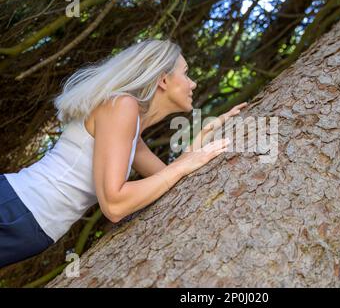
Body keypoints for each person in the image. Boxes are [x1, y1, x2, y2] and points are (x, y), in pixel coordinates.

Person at [0, 38, 247, 268]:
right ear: (163, 80)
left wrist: (206, 133)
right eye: (186, 73)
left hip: (29, 224)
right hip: (16, 208)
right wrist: (184, 164)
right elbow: (115, 204)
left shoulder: (132, 131)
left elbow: (170, 178)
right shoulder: (121, 105)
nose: (193, 83)